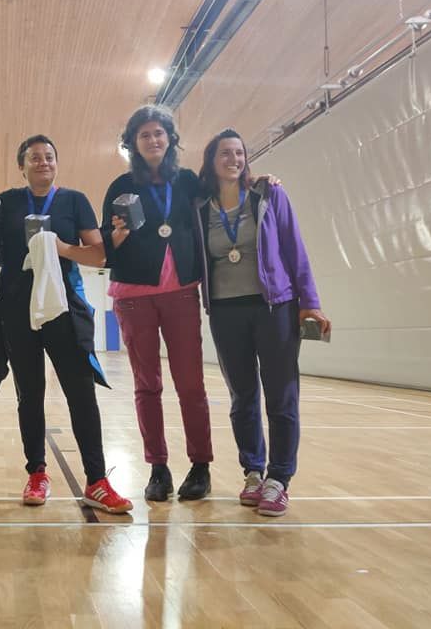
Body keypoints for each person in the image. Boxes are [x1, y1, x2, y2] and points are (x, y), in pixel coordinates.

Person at [0, 135, 132, 513]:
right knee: (29, 394)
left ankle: (97, 481)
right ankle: (36, 473)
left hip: (65, 309)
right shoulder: (6, 202)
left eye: (49, 156)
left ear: (56, 162)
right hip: (17, 311)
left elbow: (99, 256)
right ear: (21, 166)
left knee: (81, 393)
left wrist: (61, 248)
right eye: (34, 157)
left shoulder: (74, 201)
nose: (43, 162)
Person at [196, 129, 330, 517]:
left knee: (281, 395)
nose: (233, 159)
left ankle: (279, 479)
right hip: (225, 312)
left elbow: (295, 249)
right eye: (225, 153)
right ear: (211, 161)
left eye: (239, 152)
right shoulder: (200, 207)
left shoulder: (269, 194)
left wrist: (310, 303)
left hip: (276, 308)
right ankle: (253, 472)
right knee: (242, 397)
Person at [100, 105, 213, 503]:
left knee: (191, 385)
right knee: (147, 385)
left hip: (181, 293)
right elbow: (107, 244)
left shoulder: (187, 181)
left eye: (159, 133)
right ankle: (157, 467)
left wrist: (260, 180)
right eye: (144, 134)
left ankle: (200, 465)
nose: (152, 140)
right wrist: (116, 235)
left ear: (170, 139)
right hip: (134, 297)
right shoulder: (120, 186)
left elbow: (225, 194)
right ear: (133, 143)